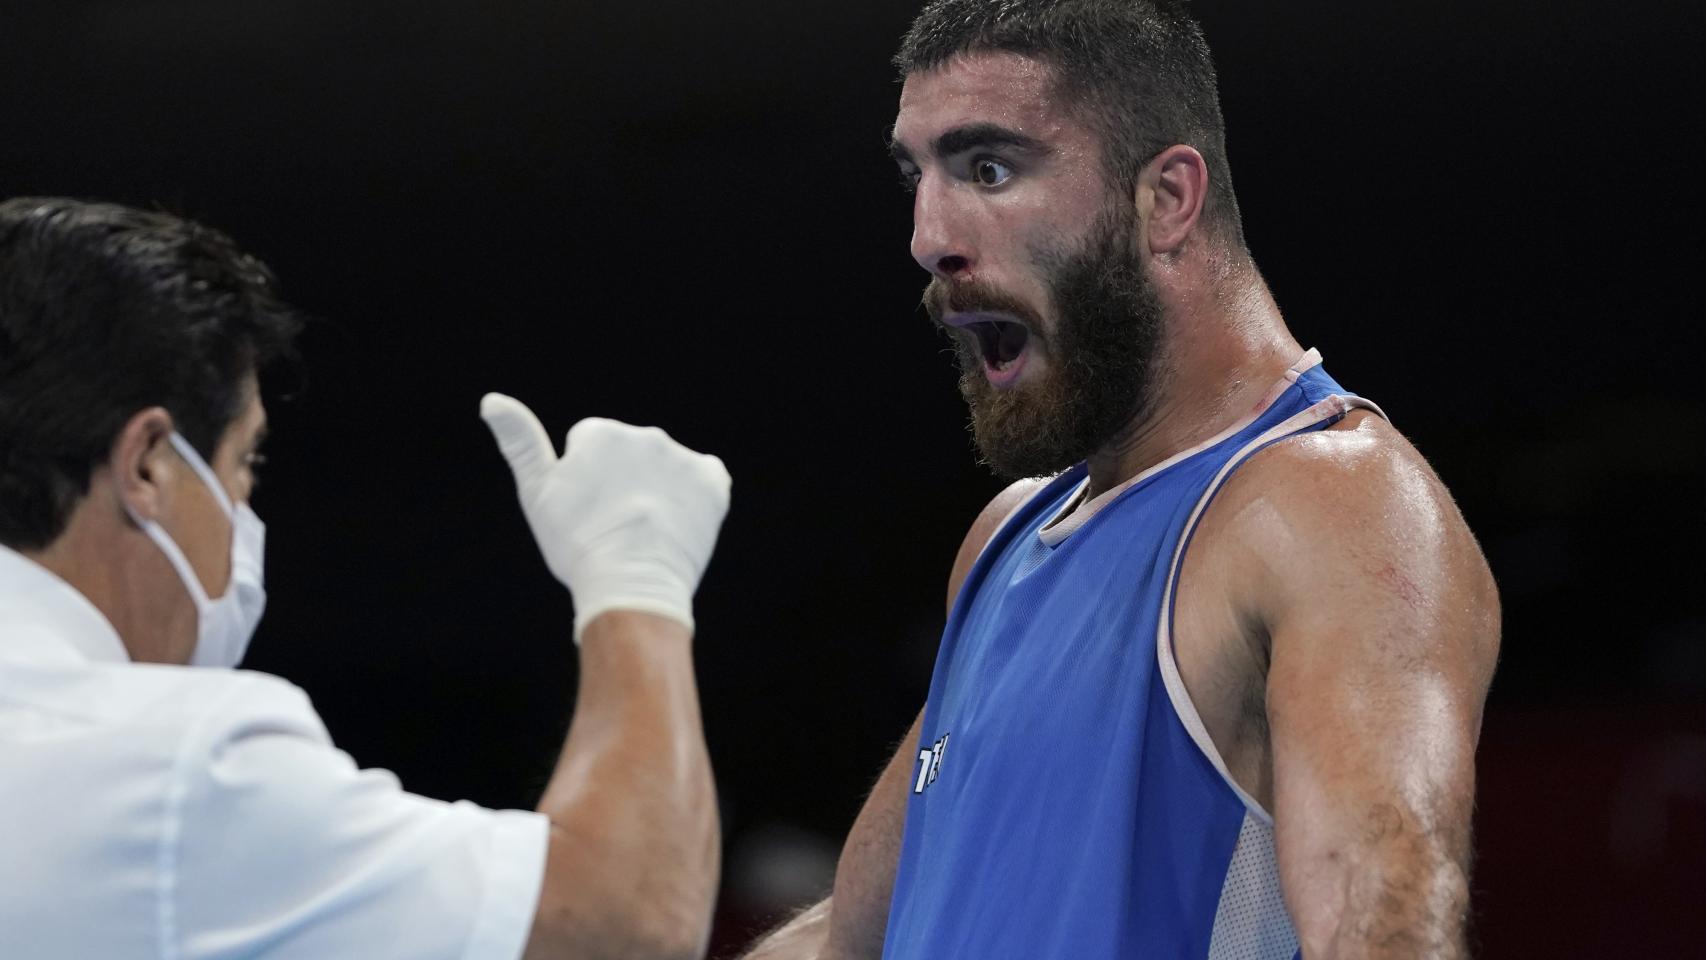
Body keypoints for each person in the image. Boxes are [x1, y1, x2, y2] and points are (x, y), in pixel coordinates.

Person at [740, 2, 1500, 958]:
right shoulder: (1006, 540)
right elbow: (854, 939)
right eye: (914, 177)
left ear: (1166, 199)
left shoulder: (1333, 506)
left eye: (988, 168)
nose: (927, 237)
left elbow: (1386, 934)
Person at [0, 196, 732, 960]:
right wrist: (637, 583)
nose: (243, 510)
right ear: (148, 465)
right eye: (246, 462)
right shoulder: (173, 768)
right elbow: (626, 922)